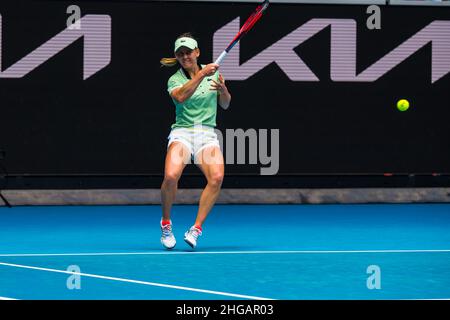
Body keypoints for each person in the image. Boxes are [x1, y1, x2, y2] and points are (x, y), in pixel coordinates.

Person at [159, 33, 231, 249]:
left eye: (188, 52)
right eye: (180, 54)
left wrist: (223, 90)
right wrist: (201, 74)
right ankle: (166, 224)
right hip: (182, 132)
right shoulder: (175, 79)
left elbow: (225, 104)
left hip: (207, 134)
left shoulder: (214, 75)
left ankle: (196, 228)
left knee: (217, 177)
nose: (185, 56)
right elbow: (181, 97)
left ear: (197, 52)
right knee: (171, 176)